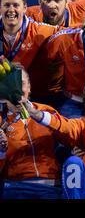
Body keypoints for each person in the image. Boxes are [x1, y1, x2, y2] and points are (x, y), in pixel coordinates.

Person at [0, 67, 62, 199]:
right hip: (15, 188)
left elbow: (69, 136)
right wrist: (1, 152)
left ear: (29, 87)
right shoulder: (1, 120)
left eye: (21, 83)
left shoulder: (47, 111)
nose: (16, 89)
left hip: (50, 187)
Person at [0, 0, 59, 71]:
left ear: (24, 8)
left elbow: (71, 36)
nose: (11, 10)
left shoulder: (41, 31)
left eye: (16, 5)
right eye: (7, 5)